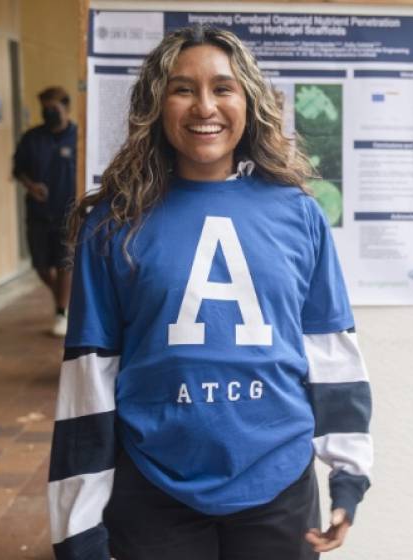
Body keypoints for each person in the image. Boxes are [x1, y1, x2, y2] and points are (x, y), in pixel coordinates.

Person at [47, 26, 372, 560]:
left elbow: (331, 350)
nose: (205, 106)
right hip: (154, 487)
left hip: (277, 483)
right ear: (157, 103)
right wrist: (77, 527)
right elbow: (89, 374)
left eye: (222, 88)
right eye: (182, 89)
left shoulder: (299, 214)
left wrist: (348, 476)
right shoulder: (114, 223)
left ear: (248, 101)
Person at [13, 86, 77, 337]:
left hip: (69, 211)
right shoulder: (31, 138)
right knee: (41, 267)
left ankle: (61, 310)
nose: (48, 113)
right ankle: (64, 300)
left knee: (64, 264)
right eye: (45, 108)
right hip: (38, 212)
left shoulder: (78, 137)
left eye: (54, 108)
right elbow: (18, 169)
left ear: (67, 108)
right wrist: (31, 185)